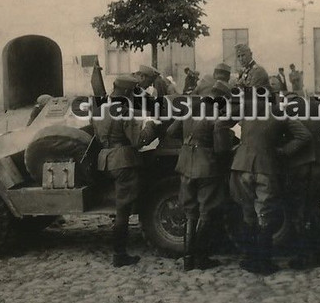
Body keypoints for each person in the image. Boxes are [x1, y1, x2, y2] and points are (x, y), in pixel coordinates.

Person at [227, 88, 309, 274]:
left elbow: (222, 121)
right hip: (265, 167)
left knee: (247, 213)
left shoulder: (247, 111)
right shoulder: (280, 114)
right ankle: (263, 262)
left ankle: (249, 258)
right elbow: (304, 136)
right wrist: (284, 150)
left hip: (240, 166)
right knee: (264, 214)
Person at [93, 75, 163, 267]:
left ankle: (119, 252)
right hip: (122, 161)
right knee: (123, 209)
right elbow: (138, 141)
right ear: (125, 93)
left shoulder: (100, 110)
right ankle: (119, 254)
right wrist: (151, 124)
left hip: (106, 160)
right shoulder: (124, 112)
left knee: (121, 205)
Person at [165, 81, 230, 271]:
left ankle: (187, 259)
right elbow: (221, 149)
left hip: (185, 164)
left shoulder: (190, 109)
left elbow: (170, 131)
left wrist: (188, 143)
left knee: (190, 211)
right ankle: (201, 258)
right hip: (206, 166)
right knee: (206, 211)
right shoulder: (216, 114)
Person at [281, 103, 320, 269]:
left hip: (298, 164)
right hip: (318, 164)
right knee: (314, 205)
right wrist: (318, 143)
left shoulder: (285, 110)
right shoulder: (319, 108)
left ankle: (302, 255)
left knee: (297, 208)